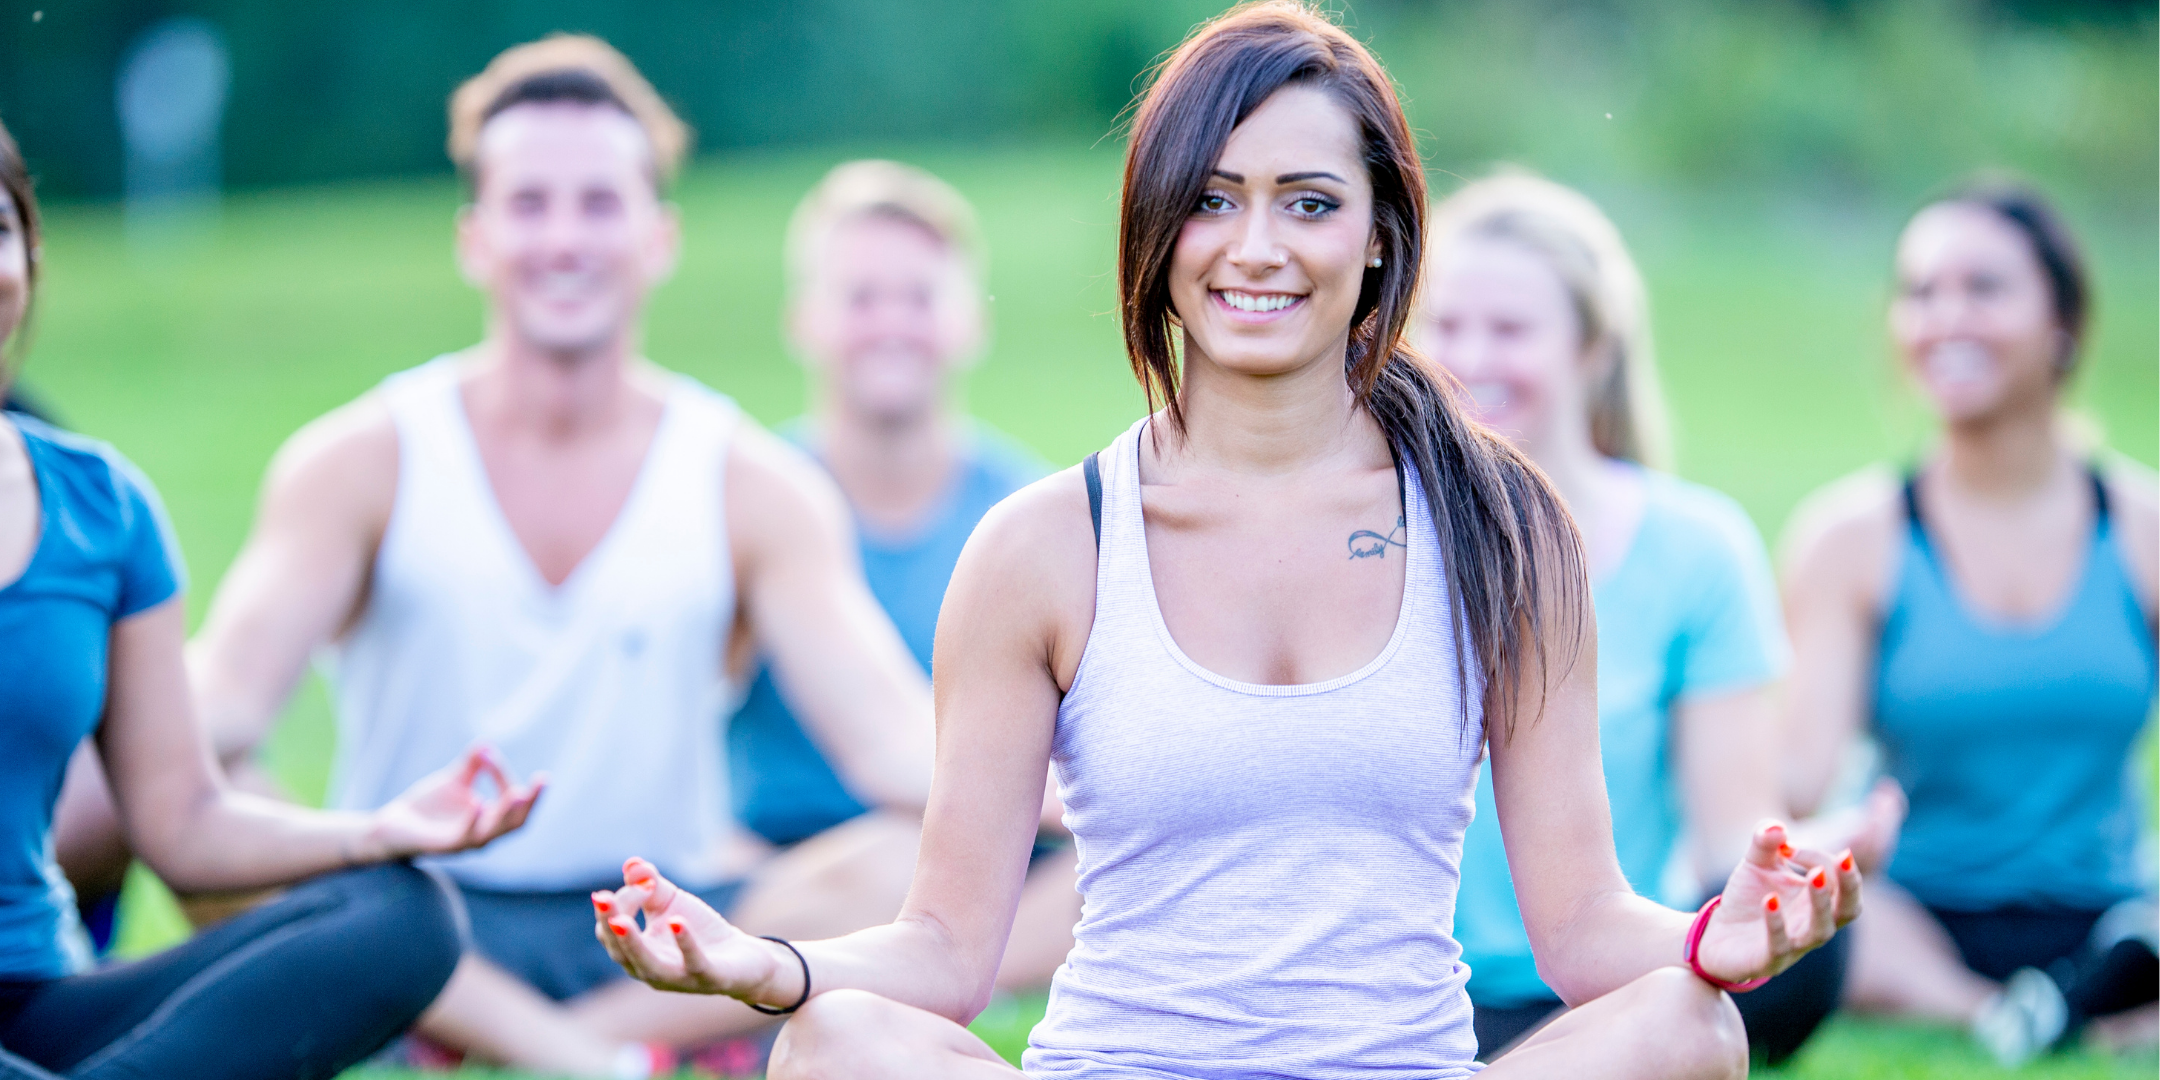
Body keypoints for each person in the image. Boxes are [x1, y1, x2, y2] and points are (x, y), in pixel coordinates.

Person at [591, 6, 1861, 1078]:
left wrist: (1714, 944)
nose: (1257, 249)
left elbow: (1585, 928)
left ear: (1379, 237)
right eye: (1212, 200)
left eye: (1309, 202)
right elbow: (944, 946)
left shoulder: (1505, 528)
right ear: (1157, 229)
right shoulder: (1045, 545)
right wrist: (772, 968)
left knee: (1689, 1030)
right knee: (840, 1039)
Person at [50, 36, 943, 1079]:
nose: (564, 237)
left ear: (659, 237)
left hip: (655, 924)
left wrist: (1095, 790)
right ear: (475, 236)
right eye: (530, 205)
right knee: (217, 790)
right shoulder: (361, 458)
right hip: (412, 910)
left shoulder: (751, 481)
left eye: (599, 205)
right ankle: (592, 1057)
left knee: (903, 851)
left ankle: (511, 1042)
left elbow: (895, 748)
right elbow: (212, 715)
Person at [0, 114, 539, 1080]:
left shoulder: (100, 506)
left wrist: (375, 832)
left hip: (35, 1000)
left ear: (30, 253)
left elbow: (184, 818)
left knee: (400, 914)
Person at [1416, 173, 1882, 1065]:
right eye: (1446, 326)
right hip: (1401, 997)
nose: (1470, 357)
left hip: (1597, 989)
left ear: (1594, 350)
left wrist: (1796, 866)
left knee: (1791, 969)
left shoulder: (1698, 548)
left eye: (1510, 329)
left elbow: (1731, 827)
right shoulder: (1371, 530)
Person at [1780, 177, 2158, 1066]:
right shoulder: (1852, 539)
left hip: (2108, 913)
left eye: (1984, 288)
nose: (1946, 318)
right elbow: (1798, 780)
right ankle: (2009, 1013)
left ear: (2062, 322)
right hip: (1913, 919)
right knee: (1827, 923)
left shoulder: (2142, 527)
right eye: (1921, 293)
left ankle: (2070, 1001)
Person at [722, 159, 1079, 990]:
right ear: (804, 320)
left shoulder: (1032, 514)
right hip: (793, 868)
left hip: (987, 870)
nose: (891, 324)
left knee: (1108, 883)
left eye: (917, 298)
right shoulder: (751, 498)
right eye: (860, 299)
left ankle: (923, 973)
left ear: (966, 322)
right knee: (884, 863)